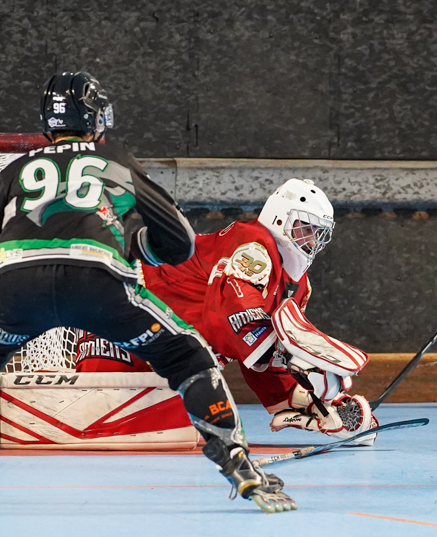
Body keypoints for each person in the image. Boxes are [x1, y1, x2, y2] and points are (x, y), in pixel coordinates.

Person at [0, 71, 296, 513]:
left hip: (20, 287)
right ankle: (237, 462)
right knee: (186, 355)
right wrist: (144, 245)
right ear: (95, 117)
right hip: (98, 282)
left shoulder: (14, 170)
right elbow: (180, 240)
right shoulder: (116, 159)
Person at [141, 179, 378, 441]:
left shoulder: (298, 284)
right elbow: (234, 315)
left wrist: (311, 401)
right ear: (280, 218)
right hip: (133, 309)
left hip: (164, 345)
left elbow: (262, 357)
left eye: (317, 232)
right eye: (305, 228)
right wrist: (304, 365)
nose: (311, 239)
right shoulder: (253, 245)